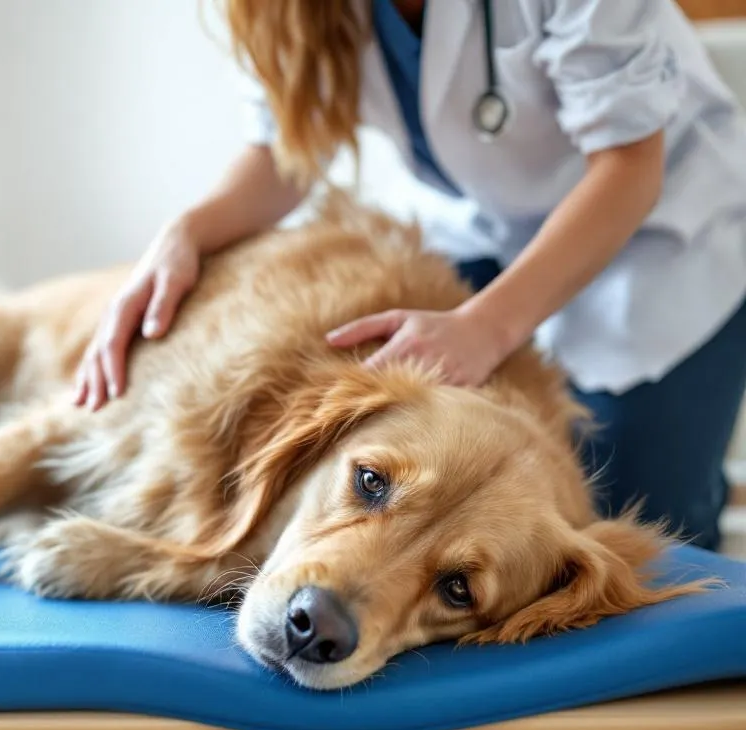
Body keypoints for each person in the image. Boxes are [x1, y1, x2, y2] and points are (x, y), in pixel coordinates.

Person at [72, 0, 746, 551]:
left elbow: (630, 170)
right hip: (480, 226)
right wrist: (184, 234)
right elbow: (284, 154)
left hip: (664, 241)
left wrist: (486, 328)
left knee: (635, 534)